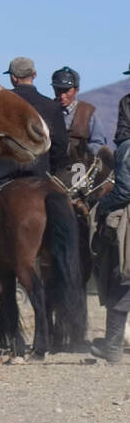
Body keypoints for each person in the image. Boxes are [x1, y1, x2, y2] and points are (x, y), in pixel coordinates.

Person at [90, 93, 130, 362]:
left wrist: (103, 205)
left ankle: (113, 347)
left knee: (122, 277)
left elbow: (126, 189)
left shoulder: (127, 148)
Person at [0, 57, 68, 185]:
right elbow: (60, 145)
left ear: (13, 77)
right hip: (39, 174)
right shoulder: (52, 106)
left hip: (1, 177)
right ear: (34, 75)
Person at [51, 66, 109, 166]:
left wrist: (83, 152)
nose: (62, 96)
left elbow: (98, 143)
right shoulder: (47, 110)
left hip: (81, 166)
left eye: (66, 91)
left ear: (76, 90)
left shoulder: (88, 112)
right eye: (58, 90)